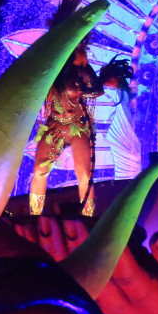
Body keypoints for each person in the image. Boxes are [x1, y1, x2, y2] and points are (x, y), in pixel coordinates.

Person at [27, 24, 131, 217]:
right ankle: (34, 215)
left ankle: (88, 216)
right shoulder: (53, 68)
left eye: (82, 50)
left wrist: (85, 75)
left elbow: (97, 91)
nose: (84, 56)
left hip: (78, 126)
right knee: (40, 171)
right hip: (54, 126)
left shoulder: (83, 70)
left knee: (84, 174)